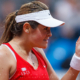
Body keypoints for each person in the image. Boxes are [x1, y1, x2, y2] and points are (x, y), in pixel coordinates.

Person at [0, 1, 79, 80]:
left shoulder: (38, 51)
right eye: (45, 29)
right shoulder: (3, 55)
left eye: (50, 29)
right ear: (27, 28)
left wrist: (77, 58)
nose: (50, 34)